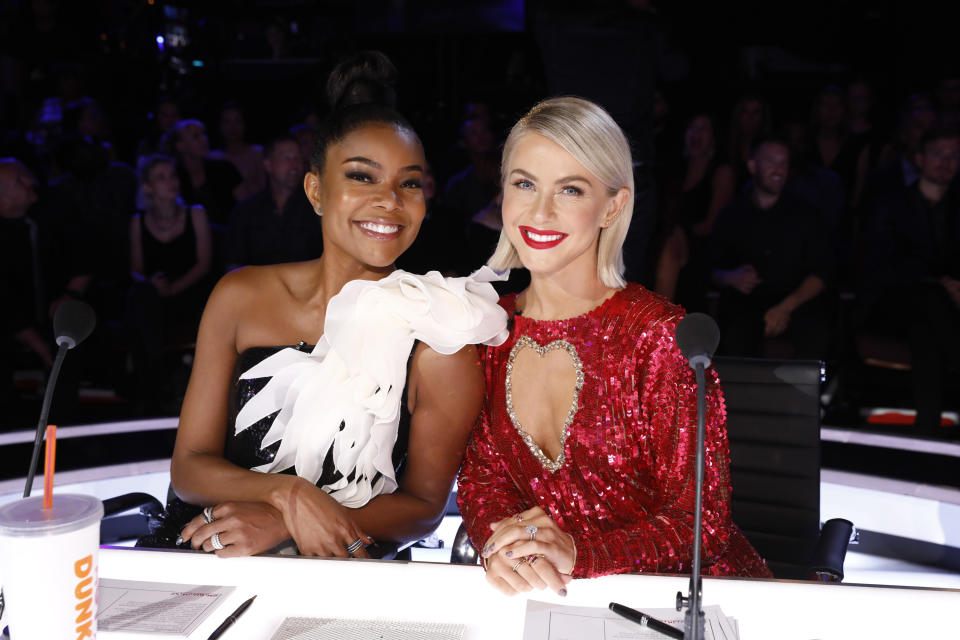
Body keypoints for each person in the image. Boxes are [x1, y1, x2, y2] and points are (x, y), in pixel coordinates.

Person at [140, 66, 508, 558]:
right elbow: (188, 468)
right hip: (207, 547)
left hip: (344, 566)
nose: (389, 201)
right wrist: (288, 496)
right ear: (316, 191)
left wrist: (284, 526)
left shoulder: (442, 328)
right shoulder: (241, 296)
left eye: (410, 184)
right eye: (361, 176)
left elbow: (421, 506)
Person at [456, 97, 771, 597]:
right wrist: (505, 546)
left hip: (690, 603)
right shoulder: (487, 329)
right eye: (524, 183)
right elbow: (481, 482)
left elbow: (701, 525)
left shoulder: (658, 337)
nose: (540, 210)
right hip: (557, 599)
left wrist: (581, 555)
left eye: (571, 189)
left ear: (613, 206)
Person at [860, 127, 960, 436]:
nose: (946, 162)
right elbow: (878, 265)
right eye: (938, 154)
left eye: (954, 156)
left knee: (926, 330)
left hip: (939, 314)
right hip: (893, 305)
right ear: (919, 159)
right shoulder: (892, 205)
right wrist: (942, 283)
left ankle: (926, 428)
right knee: (927, 300)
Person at [710, 137, 834, 359]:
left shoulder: (807, 215)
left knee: (817, 336)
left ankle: (811, 394)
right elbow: (708, 267)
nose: (778, 169)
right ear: (752, 166)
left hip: (797, 304)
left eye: (784, 163)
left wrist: (785, 308)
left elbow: (822, 272)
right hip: (747, 306)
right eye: (771, 162)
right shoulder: (733, 215)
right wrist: (730, 276)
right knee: (732, 334)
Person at [126, 154, 213, 413]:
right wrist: (153, 283)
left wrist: (173, 288)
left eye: (172, 175)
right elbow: (136, 269)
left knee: (147, 304)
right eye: (161, 178)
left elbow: (204, 264)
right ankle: (151, 386)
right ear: (148, 187)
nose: (171, 182)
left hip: (190, 292)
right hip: (155, 296)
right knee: (140, 297)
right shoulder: (138, 221)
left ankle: (155, 384)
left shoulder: (195, 214)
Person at [655, 113, 735, 309]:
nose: (696, 134)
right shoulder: (675, 170)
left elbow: (713, 224)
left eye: (703, 128)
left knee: (670, 240)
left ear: (713, 136)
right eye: (692, 128)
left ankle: (660, 322)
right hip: (669, 237)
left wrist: (679, 231)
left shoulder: (721, 171)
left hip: (703, 246)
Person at [224, 133, 322, 269]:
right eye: (286, 158)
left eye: (298, 158)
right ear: (268, 164)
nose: (294, 164)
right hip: (258, 287)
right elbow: (234, 263)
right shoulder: (246, 212)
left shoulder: (318, 208)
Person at [162, 119, 243, 226]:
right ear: (180, 145)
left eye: (204, 134)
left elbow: (245, 205)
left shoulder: (223, 169)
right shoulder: (173, 176)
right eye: (196, 136)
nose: (204, 139)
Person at [209, 102, 266, 202]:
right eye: (227, 122)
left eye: (238, 121)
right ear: (220, 126)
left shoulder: (258, 153)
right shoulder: (213, 158)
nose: (233, 127)